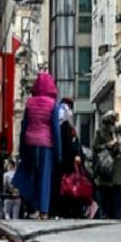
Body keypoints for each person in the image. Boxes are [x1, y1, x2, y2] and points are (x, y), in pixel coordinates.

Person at [12, 73, 62, 219]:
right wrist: (58, 152)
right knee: (45, 177)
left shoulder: (29, 103)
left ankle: (32, 207)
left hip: (30, 142)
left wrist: (21, 148)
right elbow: (55, 129)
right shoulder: (53, 105)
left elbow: (24, 125)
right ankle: (44, 210)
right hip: (46, 144)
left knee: (31, 175)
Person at [93, 110, 121, 219]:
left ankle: (119, 214)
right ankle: (108, 214)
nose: (112, 124)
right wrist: (107, 145)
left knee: (119, 192)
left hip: (119, 166)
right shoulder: (100, 132)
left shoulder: (120, 132)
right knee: (107, 194)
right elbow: (96, 148)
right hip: (106, 167)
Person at [51, 99, 86, 219]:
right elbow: (74, 145)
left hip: (61, 163)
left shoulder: (58, 127)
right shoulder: (68, 128)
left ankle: (59, 210)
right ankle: (68, 211)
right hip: (68, 164)